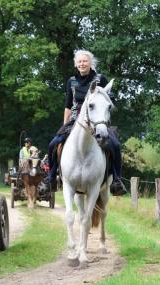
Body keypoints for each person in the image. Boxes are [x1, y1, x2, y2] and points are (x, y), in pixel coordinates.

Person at [44, 49, 127, 196]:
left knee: (115, 145)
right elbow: (68, 106)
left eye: (85, 61)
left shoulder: (100, 79)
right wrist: (64, 125)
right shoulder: (72, 81)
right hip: (76, 120)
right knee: (52, 144)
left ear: (90, 63)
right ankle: (51, 177)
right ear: (76, 64)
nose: (82, 64)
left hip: (97, 121)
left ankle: (117, 180)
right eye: (79, 61)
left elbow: (110, 99)